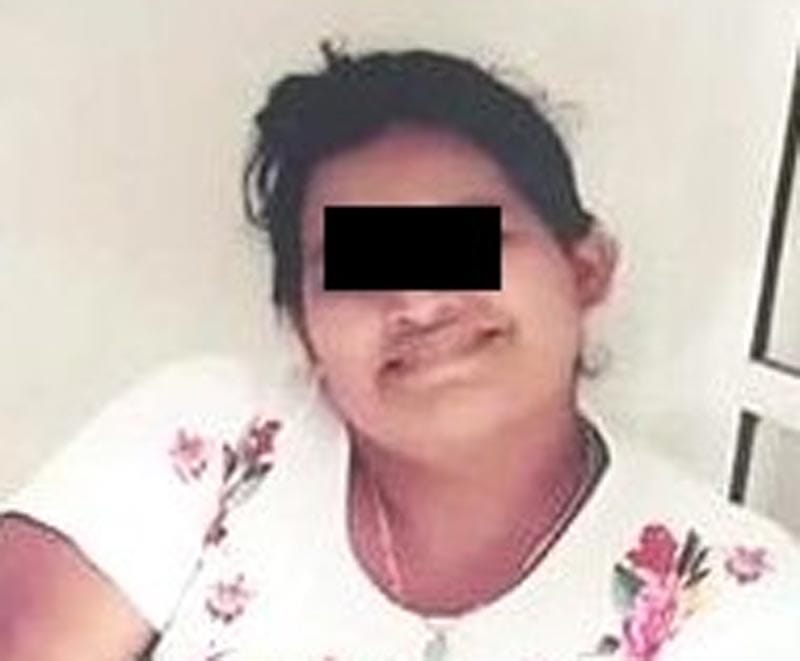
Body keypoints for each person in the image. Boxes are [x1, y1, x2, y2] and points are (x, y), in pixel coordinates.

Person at [1, 43, 799, 661]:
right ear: (304, 331)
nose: (418, 301)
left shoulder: (743, 595)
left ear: (586, 268)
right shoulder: (214, 440)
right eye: (359, 266)